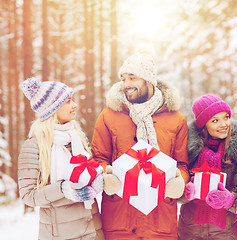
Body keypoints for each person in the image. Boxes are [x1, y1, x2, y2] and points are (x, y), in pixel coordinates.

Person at [91, 44, 189, 239]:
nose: (126, 83)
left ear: (149, 79)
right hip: (119, 221)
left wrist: (180, 181)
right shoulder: (109, 116)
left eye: (132, 77)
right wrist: (105, 176)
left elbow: (183, 164)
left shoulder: (176, 119)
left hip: (160, 222)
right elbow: (97, 158)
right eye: (123, 78)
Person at [18, 77, 104, 239]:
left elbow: (89, 170)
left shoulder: (76, 137)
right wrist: (63, 189)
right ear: (53, 108)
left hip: (93, 232)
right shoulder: (34, 146)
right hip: (61, 235)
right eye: (68, 101)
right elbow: (28, 195)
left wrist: (98, 179)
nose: (75, 105)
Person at [177, 94, 237, 240]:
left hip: (226, 233)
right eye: (215, 120)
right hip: (190, 232)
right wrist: (185, 193)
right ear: (203, 125)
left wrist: (230, 200)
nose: (224, 124)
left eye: (226, 117)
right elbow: (174, 193)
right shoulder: (188, 148)